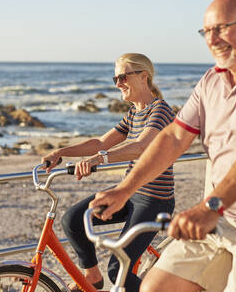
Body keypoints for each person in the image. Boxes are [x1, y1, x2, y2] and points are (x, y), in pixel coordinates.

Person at [89, 0, 236, 292]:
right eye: (206, 31)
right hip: (224, 221)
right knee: (154, 287)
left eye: (222, 28)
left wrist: (210, 206)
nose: (212, 39)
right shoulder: (211, 81)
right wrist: (124, 189)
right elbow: (174, 137)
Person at [42, 53, 175, 292]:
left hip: (155, 201)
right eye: (115, 79)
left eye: (123, 77)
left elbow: (140, 147)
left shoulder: (160, 111)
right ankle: (92, 277)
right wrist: (61, 151)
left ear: (144, 76)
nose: (118, 84)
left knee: (118, 270)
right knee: (73, 220)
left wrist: (99, 159)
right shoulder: (134, 113)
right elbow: (101, 142)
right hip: (130, 192)